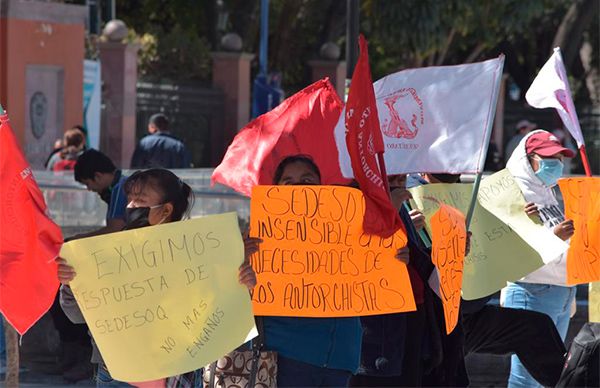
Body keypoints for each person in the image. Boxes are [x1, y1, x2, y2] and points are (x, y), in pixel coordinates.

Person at [57, 168, 257, 387]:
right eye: (130, 200)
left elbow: (221, 312)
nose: (131, 206)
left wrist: (243, 284)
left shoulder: (200, 254)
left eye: (140, 200)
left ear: (166, 210)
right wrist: (70, 283)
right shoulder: (106, 257)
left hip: (179, 371)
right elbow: (76, 315)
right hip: (117, 374)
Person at [412, 173, 568, 387]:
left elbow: (500, 240)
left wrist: (525, 221)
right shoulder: (410, 197)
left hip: (469, 310)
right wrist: (407, 226)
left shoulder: (471, 195)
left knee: (535, 328)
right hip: (433, 318)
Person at [259, 155, 363, 387]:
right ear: (275, 191)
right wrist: (245, 274)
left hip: (340, 356)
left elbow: (375, 273)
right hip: (286, 357)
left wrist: (396, 257)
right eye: (288, 182)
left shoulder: (349, 229)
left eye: (307, 181)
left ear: (322, 188)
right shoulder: (259, 237)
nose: (299, 188)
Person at [350, 173, 444, 388]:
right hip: (375, 330)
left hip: (412, 314)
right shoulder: (355, 201)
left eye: (402, 177)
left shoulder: (402, 205)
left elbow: (419, 262)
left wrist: (453, 249)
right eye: (391, 177)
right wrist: (388, 213)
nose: (399, 183)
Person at [501, 129, 576, 388]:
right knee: (526, 380)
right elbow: (511, 249)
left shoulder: (547, 192)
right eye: (548, 157)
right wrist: (555, 236)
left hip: (559, 290)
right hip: (531, 290)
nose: (556, 162)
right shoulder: (512, 193)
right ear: (528, 158)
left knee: (545, 378)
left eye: (559, 156)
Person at [71, 149, 128, 238]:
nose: (89, 189)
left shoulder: (120, 188)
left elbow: (115, 228)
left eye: (87, 184)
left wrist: (81, 238)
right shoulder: (120, 183)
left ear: (97, 176)